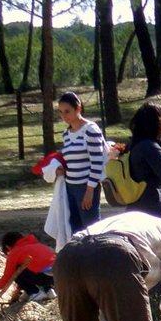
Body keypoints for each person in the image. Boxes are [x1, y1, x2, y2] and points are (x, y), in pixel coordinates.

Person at [57, 92, 106, 232]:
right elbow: (71, 160)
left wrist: (90, 191)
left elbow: (97, 162)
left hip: (86, 187)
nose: (64, 116)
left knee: (91, 230)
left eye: (67, 111)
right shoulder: (66, 134)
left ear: (78, 108)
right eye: (61, 112)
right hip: (70, 187)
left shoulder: (90, 129)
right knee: (75, 231)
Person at [0, 231, 56, 303]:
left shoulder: (15, 252)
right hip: (55, 277)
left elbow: (8, 277)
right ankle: (49, 290)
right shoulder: (39, 245)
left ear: (8, 247)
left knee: (16, 270)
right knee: (41, 266)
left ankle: (35, 293)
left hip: (42, 277)